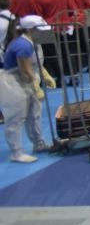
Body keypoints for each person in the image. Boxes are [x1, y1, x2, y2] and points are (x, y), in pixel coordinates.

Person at [1, 14, 55, 162]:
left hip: (28, 79)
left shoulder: (34, 43)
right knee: (15, 118)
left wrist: (45, 75)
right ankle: (16, 153)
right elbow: (25, 69)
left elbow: (36, 64)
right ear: (30, 30)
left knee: (35, 114)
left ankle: (39, 143)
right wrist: (36, 87)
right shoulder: (22, 45)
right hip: (14, 82)